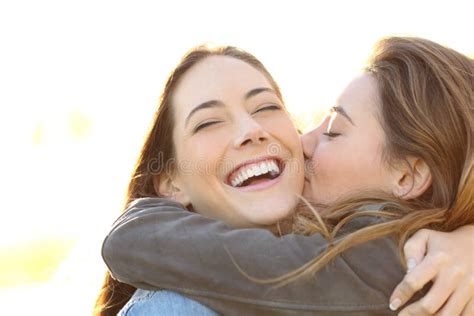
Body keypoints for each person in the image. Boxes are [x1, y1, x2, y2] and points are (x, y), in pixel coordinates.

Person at [98, 37, 474, 315]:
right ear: (170, 182)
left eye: (333, 131)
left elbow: (131, 242)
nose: (304, 140)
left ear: (408, 176)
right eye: (209, 122)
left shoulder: (405, 259)